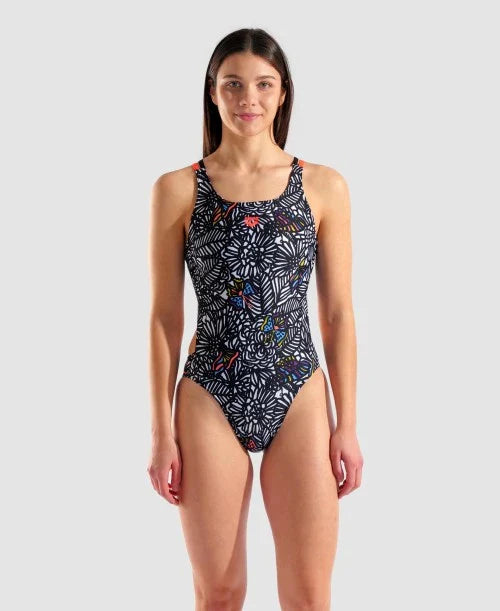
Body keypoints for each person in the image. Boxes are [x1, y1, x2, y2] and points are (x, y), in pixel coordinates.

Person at [148, 27, 363, 610]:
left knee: (309, 596)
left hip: (297, 387)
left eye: (264, 84)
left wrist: (346, 424)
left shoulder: (322, 186)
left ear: (283, 92)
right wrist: (161, 434)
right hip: (209, 391)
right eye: (234, 84)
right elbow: (164, 318)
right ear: (213, 92)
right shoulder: (178, 190)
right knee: (220, 593)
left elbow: (338, 313)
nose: (249, 98)